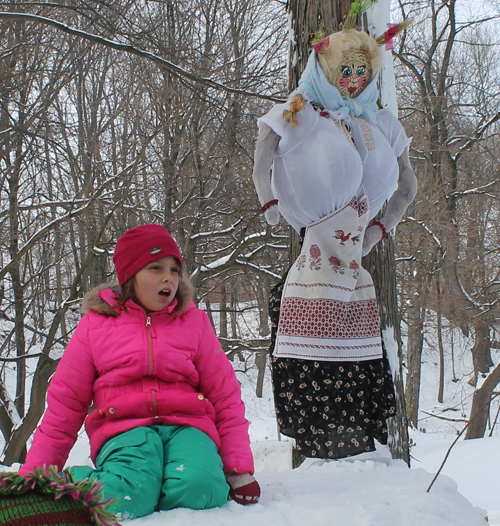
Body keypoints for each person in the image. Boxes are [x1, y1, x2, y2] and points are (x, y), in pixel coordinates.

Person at [252, 4, 417, 460]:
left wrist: (382, 226)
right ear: (325, 67)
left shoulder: (378, 121)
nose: (354, 79)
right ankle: (321, 446)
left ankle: (357, 450)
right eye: (345, 69)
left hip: (356, 271)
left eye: (363, 71)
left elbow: (408, 183)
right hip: (313, 262)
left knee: (357, 359)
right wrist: (267, 200)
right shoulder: (302, 112)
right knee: (311, 338)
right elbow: (263, 152)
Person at [18, 224, 260, 520]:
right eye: (156, 268)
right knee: (128, 497)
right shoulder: (96, 326)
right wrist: (36, 476)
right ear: (130, 276)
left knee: (202, 488)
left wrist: (237, 471)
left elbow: (225, 396)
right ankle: (67, 488)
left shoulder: (194, 322)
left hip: (188, 427)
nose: (168, 277)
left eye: (174, 269)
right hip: (124, 429)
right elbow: (65, 405)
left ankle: (157, 486)